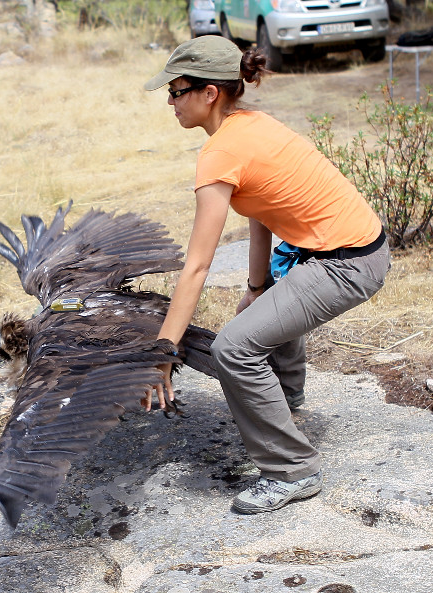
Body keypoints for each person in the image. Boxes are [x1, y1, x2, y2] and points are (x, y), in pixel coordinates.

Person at [141, 36, 390, 514]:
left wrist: (162, 352)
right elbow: (261, 210)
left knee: (232, 348)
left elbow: (196, 267)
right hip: (340, 246)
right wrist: (256, 287)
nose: (169, 102)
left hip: (348, 261)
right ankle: (286, 403)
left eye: (175, 90)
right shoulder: (247, 125)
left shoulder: (219, 154)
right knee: (267, 307)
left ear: (209, 92)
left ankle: (290, 469)